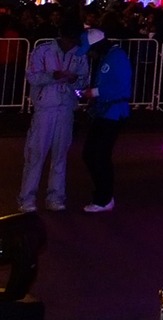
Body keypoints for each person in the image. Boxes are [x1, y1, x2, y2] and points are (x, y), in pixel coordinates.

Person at [17, 15, 87, 213]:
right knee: (35, 155)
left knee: (60, 155)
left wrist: (74, 80)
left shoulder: (79, 54)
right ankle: (27, 198)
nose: (71, 43)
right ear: (61, 35)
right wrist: (52, 76)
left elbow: (83, 81)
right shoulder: (43, 50)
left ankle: (56, 197)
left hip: (65, 108)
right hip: (45, 109)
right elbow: (32, 76)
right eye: (70, 38)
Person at [80, 28, 132, 214]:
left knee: (98, 155)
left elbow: (122, 87)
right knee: (93, 154)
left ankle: (104, 197)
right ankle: (103, 196)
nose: (89, 53)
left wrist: (94, 92)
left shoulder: (116, 57)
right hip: (105, 111)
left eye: (90, 49)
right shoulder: (109, 56)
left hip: (113, 112)